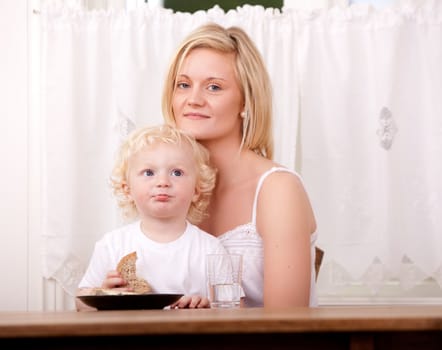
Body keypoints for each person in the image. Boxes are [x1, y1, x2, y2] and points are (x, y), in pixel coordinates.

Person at [161, 22, 318, 308]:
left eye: (214, 87)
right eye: (183, 85)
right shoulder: (166, 187)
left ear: (246, 102)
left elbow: (287, 326)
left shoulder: (278, 189)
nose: (193, 100)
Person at [76, 124, 228, 311]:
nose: (162, 182)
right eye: (149, 173)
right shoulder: (112, 245)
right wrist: (102, 295)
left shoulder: (211, 249)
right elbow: (81, 303)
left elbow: (234, 307)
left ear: (197, 189)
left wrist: (208, 306)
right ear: (127, 189)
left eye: (176, 173)